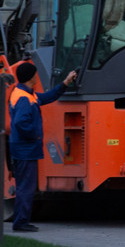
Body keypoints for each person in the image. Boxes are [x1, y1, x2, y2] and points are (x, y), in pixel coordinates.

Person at [8, 63, 77, 232]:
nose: (37, 76)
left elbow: (47, 97)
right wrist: (35, 135)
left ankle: (20, 220)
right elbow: (20, 122)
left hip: (22, 148)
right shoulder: (24, 98)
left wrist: (65, 83)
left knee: (24, 186)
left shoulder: (25, 94)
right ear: (31, 77)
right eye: (35, 74)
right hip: (26, 149)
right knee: (26, 187)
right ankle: (21, 222)